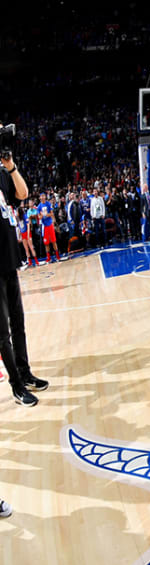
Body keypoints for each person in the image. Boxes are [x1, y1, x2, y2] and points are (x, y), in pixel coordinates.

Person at [0, 154, 48, 406]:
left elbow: (23, 193)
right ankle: (16, 386)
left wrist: (10, 166)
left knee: (18, 323)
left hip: (8, 258)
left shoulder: (1, 173)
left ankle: (25, 372)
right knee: (2, 333)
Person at [36, 194, 60, 263]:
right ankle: (48, 257)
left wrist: (46, 214)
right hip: (44, 226)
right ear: (40, 197)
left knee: (53, 241)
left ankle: (57, 255)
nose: (43, 197)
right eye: (41, 196)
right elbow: (39, 217)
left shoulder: (48, 204)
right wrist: (41, 215)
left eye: (44, 196)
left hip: (50, 224)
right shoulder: (39, 206)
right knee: (46, 243)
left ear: (45, 197)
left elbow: (52, 214)